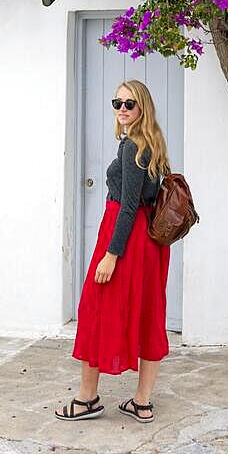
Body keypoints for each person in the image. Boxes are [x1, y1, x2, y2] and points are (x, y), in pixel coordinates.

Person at [55, 79, 170, 423]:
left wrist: (111, 254)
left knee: (95, 308)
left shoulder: (133, 147)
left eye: (129, 104)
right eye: (116, 103)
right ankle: (142, 402)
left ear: (142, 108)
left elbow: (129, 206)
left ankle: (87, 398)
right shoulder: (153, 143)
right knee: (149, 314)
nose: (122, 109)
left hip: (126, 239)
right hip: (149, 244)